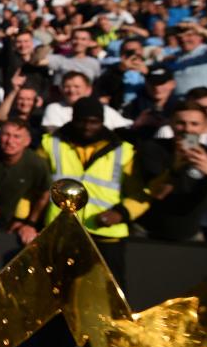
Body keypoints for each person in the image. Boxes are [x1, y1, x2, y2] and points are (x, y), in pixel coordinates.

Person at [39, 97, 145, 287]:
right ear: (72, 119)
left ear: (102, 122)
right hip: (61, 228)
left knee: (110, 292)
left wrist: (120, 213)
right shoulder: (49, 144)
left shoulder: (125, 151)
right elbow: (34, 184)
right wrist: (24, 220)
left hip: (106, 234)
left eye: (94, 122)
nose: (87, 126)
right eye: (82, 121)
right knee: (56, 290)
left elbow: (139, 193)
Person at [135, 101, 207, 242]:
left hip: (191, 235)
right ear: (171, 124)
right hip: (146, 232)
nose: (187, 129)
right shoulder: (153, 148)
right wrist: (176, 168)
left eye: (194, 124)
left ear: (204, 127)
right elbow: (156, 194)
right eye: (181, 123)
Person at [41, 71, 132, 131]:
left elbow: (125, 126)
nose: (71, 91)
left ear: (88, 90)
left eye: (77, 87)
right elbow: (53, 133)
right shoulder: (54, 109)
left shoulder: (104, 110)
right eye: (67, 87)